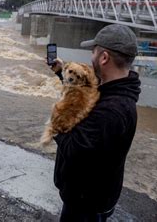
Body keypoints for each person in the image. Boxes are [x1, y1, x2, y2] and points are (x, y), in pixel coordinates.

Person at [50, 24, 141, 221]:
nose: (91, 57)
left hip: (86, 204)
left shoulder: (111, 111)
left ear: (104, 57)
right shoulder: (112, 89)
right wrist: (61, 72)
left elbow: (74, 150)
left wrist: (58, 122)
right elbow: (84, 92)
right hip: (93, 195)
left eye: (93, 51)